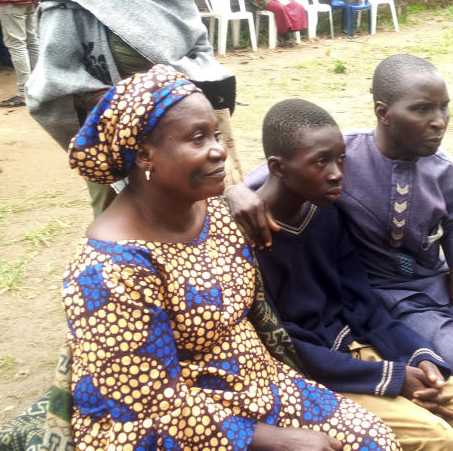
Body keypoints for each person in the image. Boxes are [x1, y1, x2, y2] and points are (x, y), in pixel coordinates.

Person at [231, 54, 453, 451]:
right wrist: (232, 192)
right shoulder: (340, 156)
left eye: (444, 107)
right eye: (422, 109)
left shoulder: (448, 178)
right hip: (392, 305)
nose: (439, 121)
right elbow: (264, 181)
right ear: (382, 113)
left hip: (438, 295)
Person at [62, 64, 400, 450]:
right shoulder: (108, 270)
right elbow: (146, 409)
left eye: (216, 133)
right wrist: (276, 441)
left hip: (260, 386)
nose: (219, 149)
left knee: (374, 441)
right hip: (168, 423)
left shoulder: (216, 214)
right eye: (197, 138)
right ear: (143, 155)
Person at [252, 99, 453, 451]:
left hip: (364, 350)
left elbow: (365, 304)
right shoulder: (248, 240)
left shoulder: (327, 213)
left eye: (340, 159)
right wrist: (392, 378)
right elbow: (289, 347)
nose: (337, 173)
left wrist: (419, 357)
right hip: (315, 373)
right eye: (321, 162)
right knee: (434, 436)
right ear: (278, 168)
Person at [26, 0, 243, 218]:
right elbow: (55, 84)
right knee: (130, 235)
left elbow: (201, 51)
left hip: (189, 136)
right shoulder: (73, 3)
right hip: (121, 144)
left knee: (204, 223)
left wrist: (177, 92)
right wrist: (136, 104)